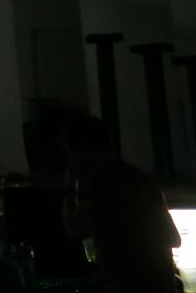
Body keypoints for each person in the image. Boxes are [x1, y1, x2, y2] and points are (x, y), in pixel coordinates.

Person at [61, 115, 180, 293]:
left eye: (70, 153)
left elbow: (75, 229)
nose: (70, 160)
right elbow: (174, 238)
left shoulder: (101, 184)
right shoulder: (142, 179)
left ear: (83, 147)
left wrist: (69, 187)